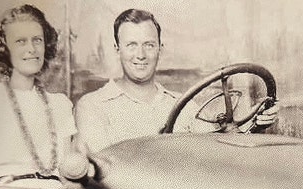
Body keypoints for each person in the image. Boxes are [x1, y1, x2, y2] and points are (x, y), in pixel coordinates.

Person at [75, 8, 279, 154]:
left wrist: (253, 126)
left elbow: (218, 148)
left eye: (149, 45)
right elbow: (102, 174)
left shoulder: (183, 105)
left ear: (160, 50)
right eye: (131, 45)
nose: (140, 54)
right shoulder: (93, 106)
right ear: (117, 49)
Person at [0, 4, 77, 189]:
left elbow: (68, 177)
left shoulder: (60, 104)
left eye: (37, 40)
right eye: (20, 41)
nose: (32, 49)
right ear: (5, 49)